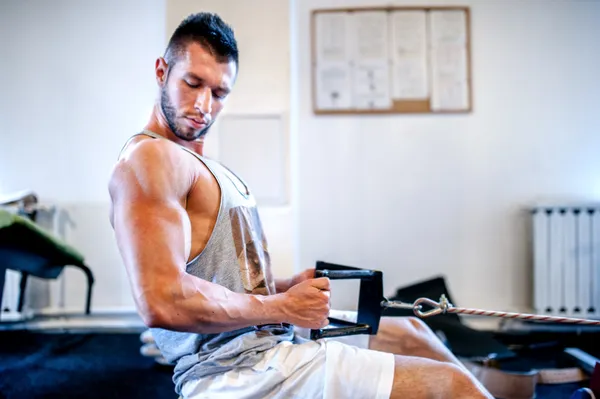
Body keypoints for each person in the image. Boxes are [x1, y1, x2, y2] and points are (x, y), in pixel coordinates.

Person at [108, 12, 493, 399]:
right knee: (452, 388)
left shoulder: (195, 162)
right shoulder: (150, 160)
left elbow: (220, 284)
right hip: (235, 372)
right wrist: (281, 306)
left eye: (219, 92)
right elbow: (163, 298)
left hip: (270, 344)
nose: (203, 104)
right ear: (162, 71)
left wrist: (283, 288)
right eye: (192, 83)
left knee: (412, 333)